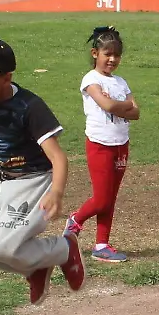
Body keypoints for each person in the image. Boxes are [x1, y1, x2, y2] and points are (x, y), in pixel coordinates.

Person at [0, 36, 85, 304]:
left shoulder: (29, 107)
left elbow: (58, 157)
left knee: (2, 246)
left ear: (6, 78)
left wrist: (56, 192)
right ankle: (36, 268)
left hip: (33, 180)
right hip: (2, 181)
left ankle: (65, 248)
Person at [65, 26, 140, 262]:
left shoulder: (120, 82)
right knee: (102, 198)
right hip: (100, 144)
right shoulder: (90, 79)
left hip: (121, 143)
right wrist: (122, 106)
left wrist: (119, 105)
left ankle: (101, 245)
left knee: (111, 198)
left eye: (117, 55)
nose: (113, 59)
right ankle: (76, 220)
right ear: (95, 53)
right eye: (107, 54)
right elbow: (107, 106)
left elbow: (136, 112)